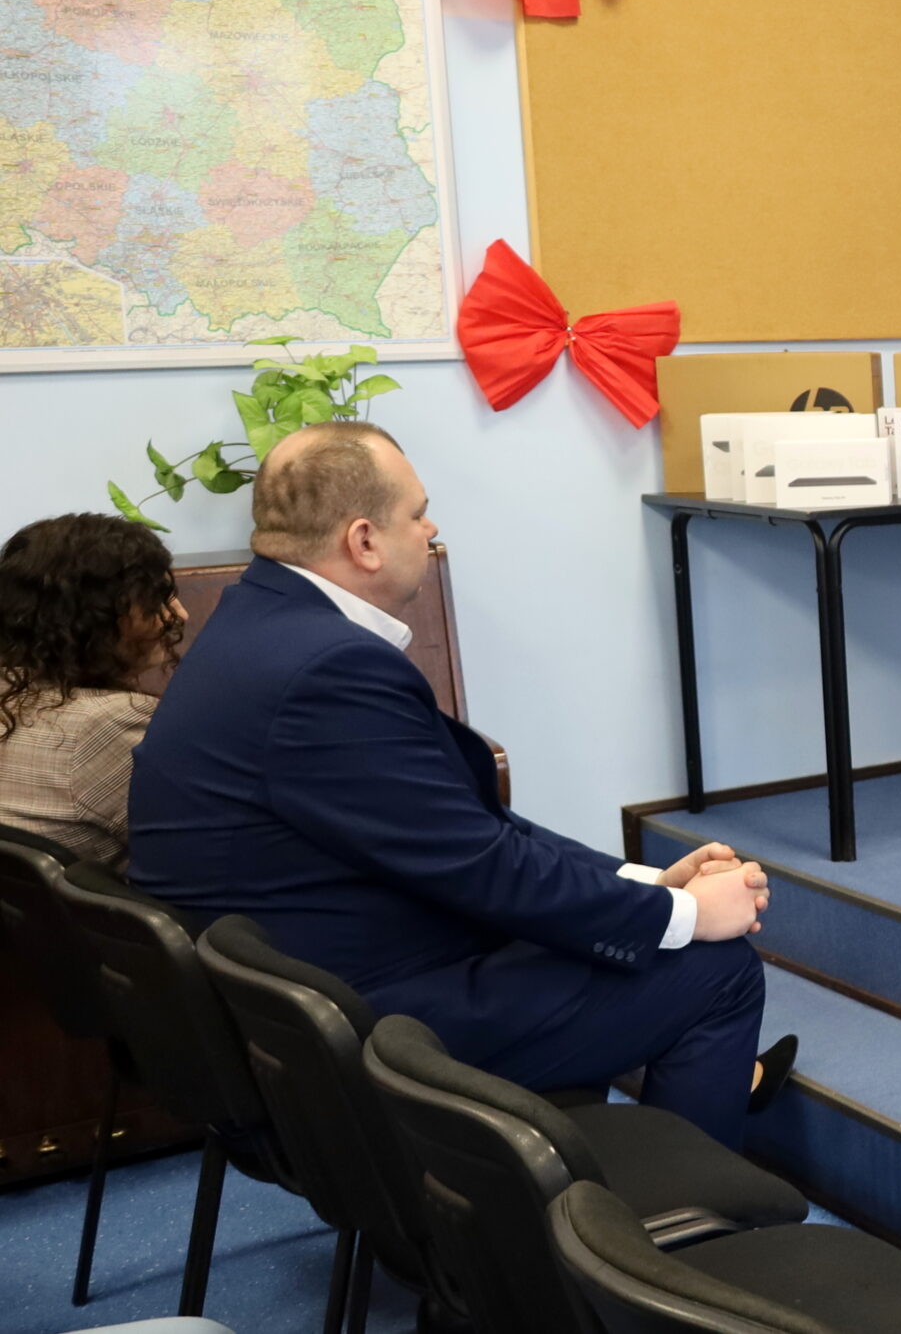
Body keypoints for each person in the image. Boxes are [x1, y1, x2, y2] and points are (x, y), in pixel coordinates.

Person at [127, 422, 790, 1147]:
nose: (431, 528)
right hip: (349, 1028)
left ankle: (586, 1178)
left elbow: (466, 827)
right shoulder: (326, 668)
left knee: (599, 942)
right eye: (417, 513)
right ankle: (667, 1211)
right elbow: (482, 866)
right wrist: (683, 916)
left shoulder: (258, 622)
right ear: (364, 541)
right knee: (716, 970)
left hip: (290, 1003)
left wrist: (647, 882)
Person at [0, 513, 188, 871]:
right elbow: (201, 845)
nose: (179, 614)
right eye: (157, 599)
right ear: (94, 614)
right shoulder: (108, 723)